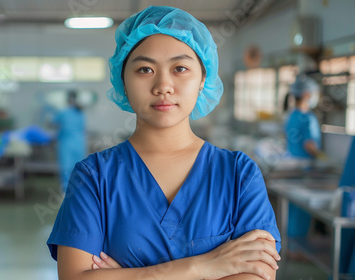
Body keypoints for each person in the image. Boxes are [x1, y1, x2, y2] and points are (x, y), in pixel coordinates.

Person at [47, 6, 281, 280]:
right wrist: (202, 267)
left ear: (203, 78)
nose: (163, 85)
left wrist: (131, 276)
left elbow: (257, 274)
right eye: (145, 69)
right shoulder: (94, 176)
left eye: (180, 68)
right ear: (123, 79)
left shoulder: (239, 174)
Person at [283, 75, 322, 251]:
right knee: (303, 211)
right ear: (307, 94)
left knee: (293, 208)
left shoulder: (291, 116)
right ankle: (299, 251)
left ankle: (291, 248)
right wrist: (324, 157)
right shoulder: (308, 118)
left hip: (291, 167)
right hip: (305, 169)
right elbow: (309, 145)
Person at [53, 90, 86, 192]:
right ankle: (78, 192)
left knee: (66, 169)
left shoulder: (64, 112)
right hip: (79, 143)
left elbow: (51, 122)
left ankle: (66, 192)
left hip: (67, 143)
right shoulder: (80, 113)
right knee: (78, 169)